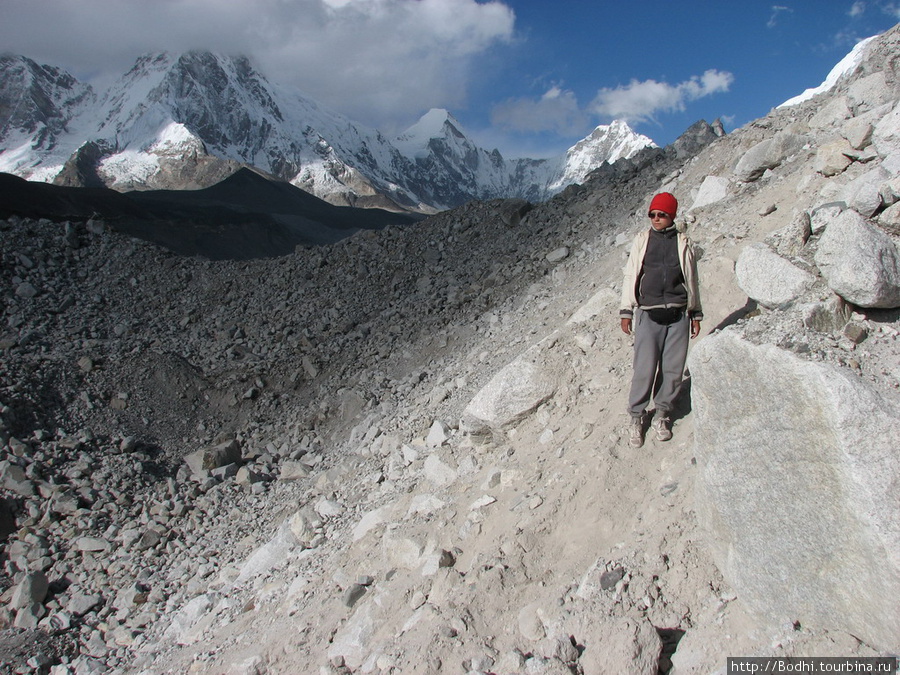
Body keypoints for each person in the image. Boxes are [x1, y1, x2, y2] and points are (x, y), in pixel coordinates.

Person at [619, 192, 702, 448]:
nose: (656, 219)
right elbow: (631, 274)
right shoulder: (642, 241)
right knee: (644, 370)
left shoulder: (683, 242)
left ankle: (662, 414)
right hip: (648, 314)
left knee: (673, 370)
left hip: (678, 315)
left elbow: (692, 279)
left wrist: (695, 312)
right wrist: (626, 310)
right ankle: (637, 416)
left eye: (661, 215)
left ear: (671, 216)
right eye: (653, 214)